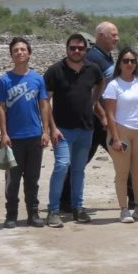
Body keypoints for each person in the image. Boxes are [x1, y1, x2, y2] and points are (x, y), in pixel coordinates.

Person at [73, 21, 138, 212]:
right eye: (113, 35)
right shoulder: (93, 58)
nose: (117, 38)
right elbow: (91, 91)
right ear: (101, 35)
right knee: (83, 158)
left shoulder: (105, 56)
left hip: (109, 121)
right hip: (99, 121)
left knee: (118, 159)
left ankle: (136, 197)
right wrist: (103, 116)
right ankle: (65, 199)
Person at [44, 33, 104, 227]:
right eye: (73, 48)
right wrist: (51, 128)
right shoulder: (55, 71)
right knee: (61, 167)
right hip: (62, 130)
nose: (76, 51)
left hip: (86, 128)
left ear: (86, 50)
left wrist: (94, 103)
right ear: (67, 49)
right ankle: (53, 210)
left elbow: (100, 83)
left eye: (80, 48)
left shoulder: (92, 69)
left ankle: (78, 208)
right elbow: (45, 102)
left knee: (78, 170)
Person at [0, 37, 50, 228]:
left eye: (23, 49)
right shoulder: (4, 80)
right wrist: (4, 133)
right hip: (14, 139)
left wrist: (46, 131)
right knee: (12, 180)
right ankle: (11, 214)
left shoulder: (37, 79)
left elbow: (44, 104)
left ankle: (33, 214)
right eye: (16, 50)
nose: (19, 52)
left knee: (32, 179)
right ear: (11, 54)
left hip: (35, 136)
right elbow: (0, 107)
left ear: (29, 53)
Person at [103, 47, 138, 223]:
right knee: (122, 173)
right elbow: (109, 114)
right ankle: (124, 209)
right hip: (120, 131)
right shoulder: (113, 85)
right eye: (126, 61)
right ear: (120, 63)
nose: (129, 64)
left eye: (133, 61)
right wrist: (115, 138)